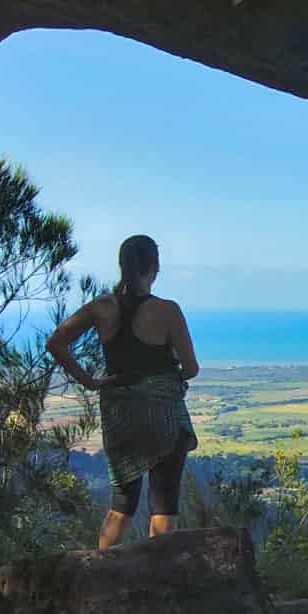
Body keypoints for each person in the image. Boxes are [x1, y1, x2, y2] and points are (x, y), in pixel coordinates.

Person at [46, 235, 201, 550]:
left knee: (122, 502)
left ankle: (100, 571)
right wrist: (171, 379)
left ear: (122, 265)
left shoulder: (101, 307)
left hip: (120, 416)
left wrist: (90, 381)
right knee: (164, 501)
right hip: (164, 418)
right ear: (154, 268)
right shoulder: (167, 311)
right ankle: (160, 575)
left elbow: (56, 342)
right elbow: (191, 367)